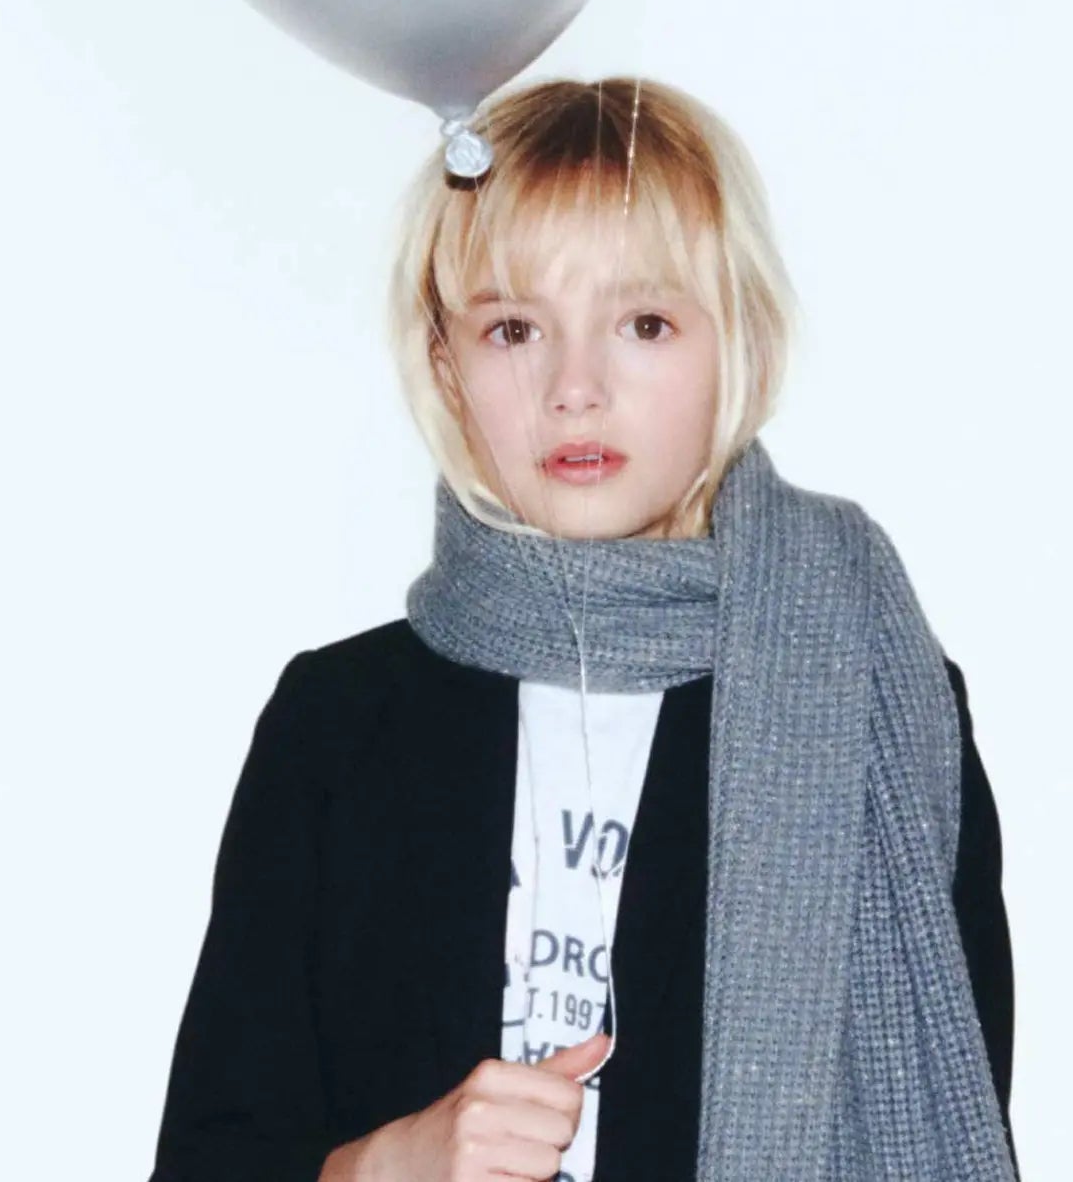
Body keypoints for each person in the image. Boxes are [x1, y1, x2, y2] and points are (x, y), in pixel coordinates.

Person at [144, 76, 1019, 1182]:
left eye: (644, 324)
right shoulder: (336, 724)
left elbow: (951, 1117)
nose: (575, 387)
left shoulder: (867, 710)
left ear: (739, 343)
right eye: (514, 328)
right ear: (447, 365)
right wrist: (387, 1165)